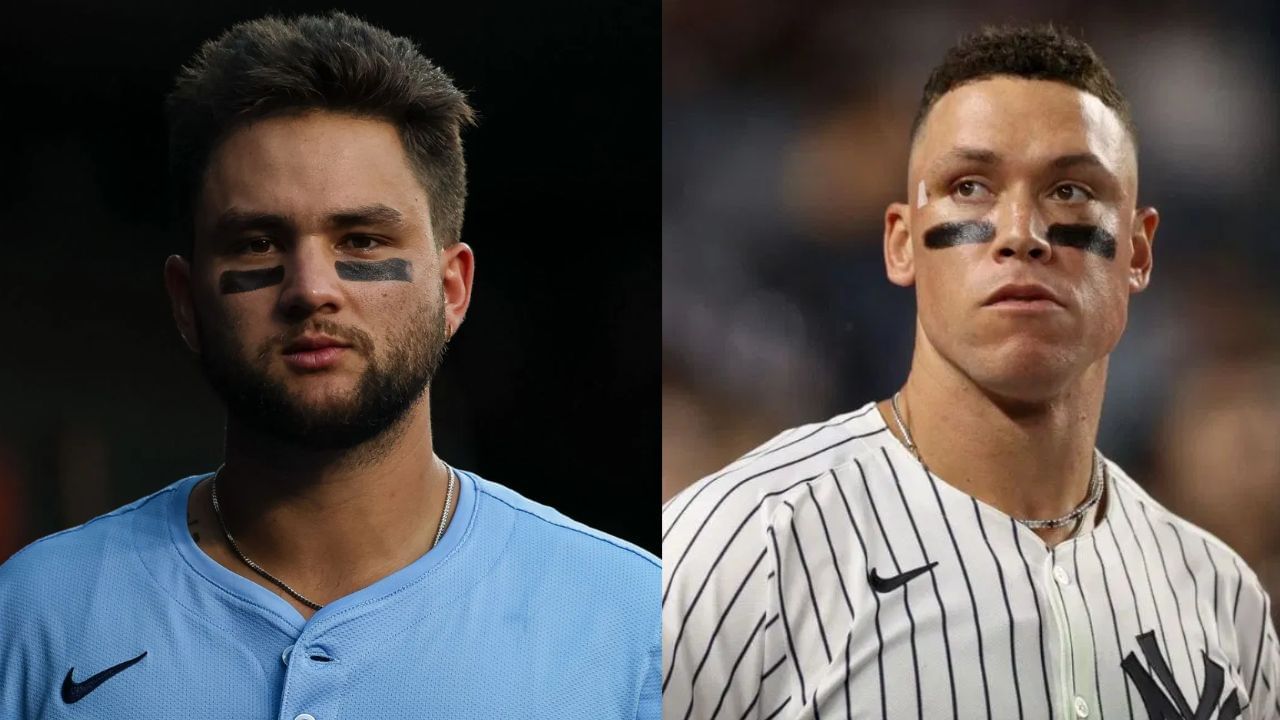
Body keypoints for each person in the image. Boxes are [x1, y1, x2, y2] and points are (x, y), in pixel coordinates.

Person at [0, 12, 659, 718]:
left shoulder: (632, 626)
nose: (311, 287)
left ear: (453, 289)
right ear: (186, 302)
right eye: (257, 242)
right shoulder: (37, 616)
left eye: (364, 239)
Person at [663, 25, 1279, 720]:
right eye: (971, 186)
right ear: (901, 245)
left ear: (1138, 252)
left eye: (1071, 190)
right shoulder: (743, 547)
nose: (1021, 232)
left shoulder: (1223, 599)